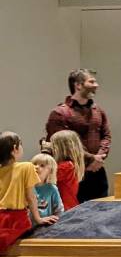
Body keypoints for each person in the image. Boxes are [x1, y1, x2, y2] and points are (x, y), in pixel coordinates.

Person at [44, 69, 111, 202]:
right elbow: (65, 145)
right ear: (78, 85)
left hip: (97, 172)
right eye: (91, 81)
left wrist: (99, 157)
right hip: (72, 174)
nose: (96, 85)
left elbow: (106, 136)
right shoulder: (60, 113)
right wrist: (92, 159)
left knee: (102, 213)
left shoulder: (98, 111)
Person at [1, 132, 58, 255]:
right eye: (20, 144)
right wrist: (38, 219)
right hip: (16, 219)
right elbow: (31, 197)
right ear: (14, 149)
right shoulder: (26, 167)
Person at [48, 130, 89, 210]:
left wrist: (45, 153)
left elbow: (43, 177)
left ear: (59, 148)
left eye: (52, 145)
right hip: (68, 206)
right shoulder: (70, 164)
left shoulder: (65, 166)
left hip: (64, 209)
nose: (50, 147)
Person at [29, 154, 64, 223]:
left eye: (42, 165)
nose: (36, 167)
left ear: (50, 171)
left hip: (45, 228)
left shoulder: (52, 189)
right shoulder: (26, 187)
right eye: (34, 164)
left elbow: (59, 210)